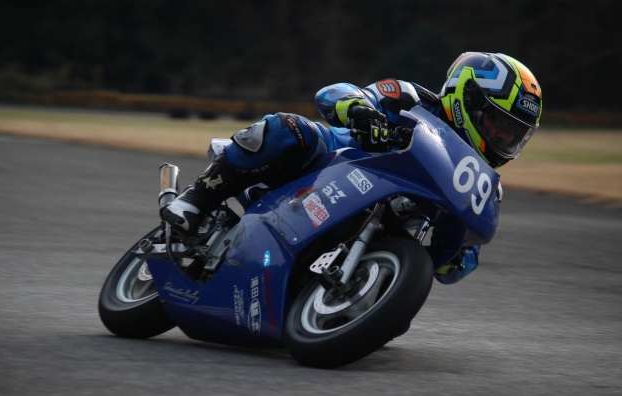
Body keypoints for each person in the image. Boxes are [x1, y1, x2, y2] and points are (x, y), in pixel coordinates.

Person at [160, 51, 542, 284]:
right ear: (467, 98)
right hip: (328, 164)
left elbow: (457, 269)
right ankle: (195, 200)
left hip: (370, 234)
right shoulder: (412, 98)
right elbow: (335, 92)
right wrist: (361, 110)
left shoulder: (482, 186)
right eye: (498, 122)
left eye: (513, 133)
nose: (503, 137)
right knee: (288, 129)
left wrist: (457, 251)